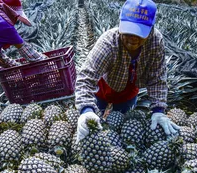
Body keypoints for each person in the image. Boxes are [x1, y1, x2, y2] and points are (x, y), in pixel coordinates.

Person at [75, 0, 180, 143]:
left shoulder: (155, 41)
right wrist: (86, 109)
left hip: (129, 91)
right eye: (128, 31)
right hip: (104, 87)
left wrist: (158, 111)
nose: (133, 38)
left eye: (139, 33)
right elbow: (86, 77)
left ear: (151, 29)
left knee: (122, 126)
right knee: (95, 121)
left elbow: (157, 78)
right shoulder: (108, 42)